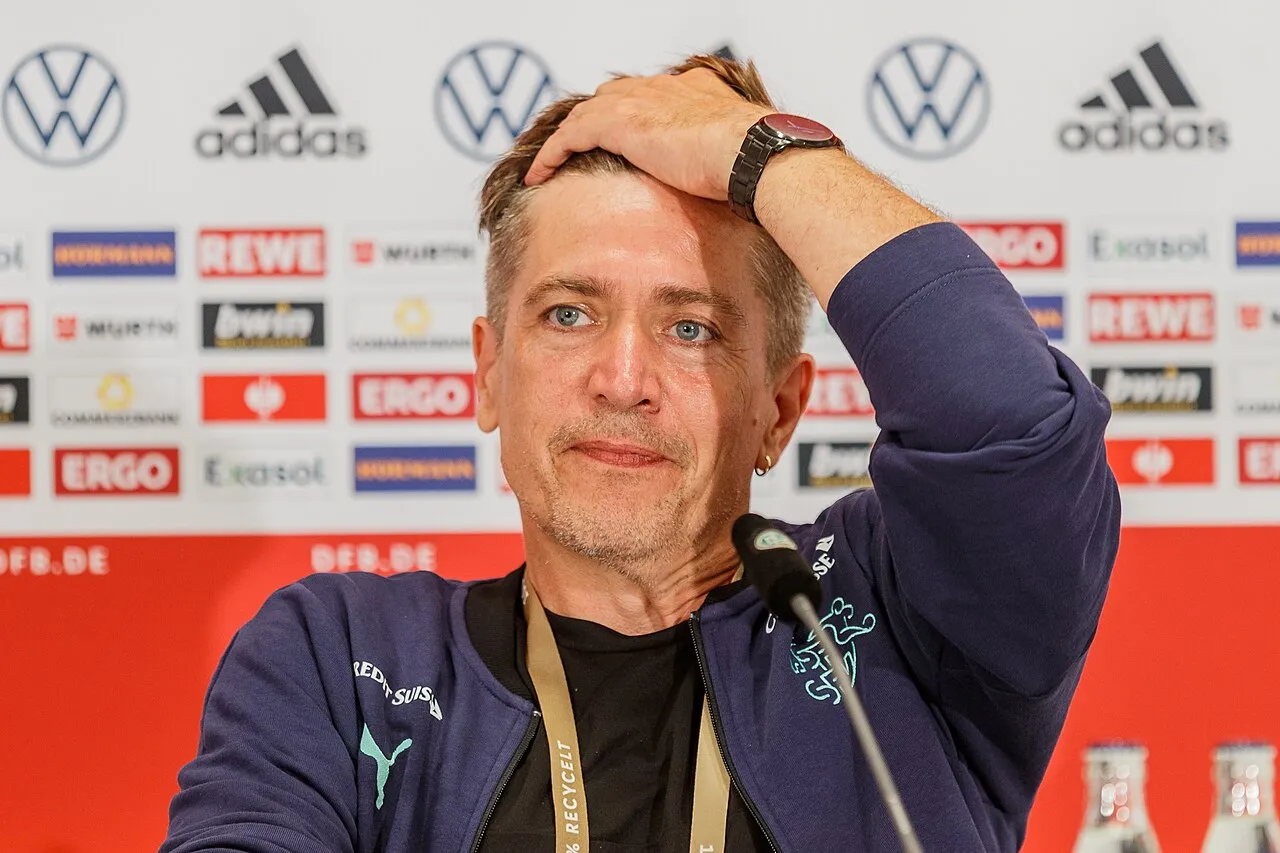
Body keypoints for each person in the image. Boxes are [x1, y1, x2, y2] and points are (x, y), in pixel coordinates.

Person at [160, 53, 1120, 852]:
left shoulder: (894, 612)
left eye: (692, 328)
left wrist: (758, 152)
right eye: (569, 314)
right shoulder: (342, 657)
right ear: (489, 374)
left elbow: (1010, 421)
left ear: (779, 409)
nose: (623, 379)